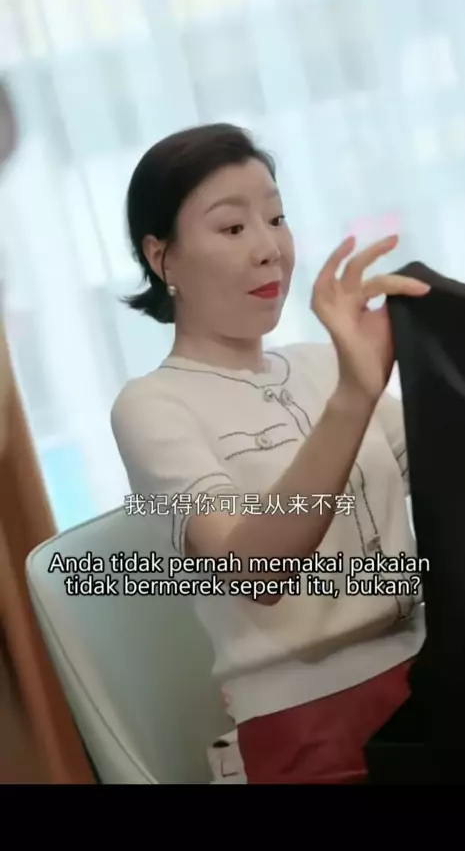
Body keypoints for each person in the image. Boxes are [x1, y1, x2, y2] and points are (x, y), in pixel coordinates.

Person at [111, 123, 430, 784]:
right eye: (232, 228)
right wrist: (354, 396)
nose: (269, 249)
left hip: (432, 680)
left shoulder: (323, 365)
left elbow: (448, 468)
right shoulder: (152, 405)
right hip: (310, 729)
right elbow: (254, 567)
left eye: (277, 219)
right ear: (161, 257)